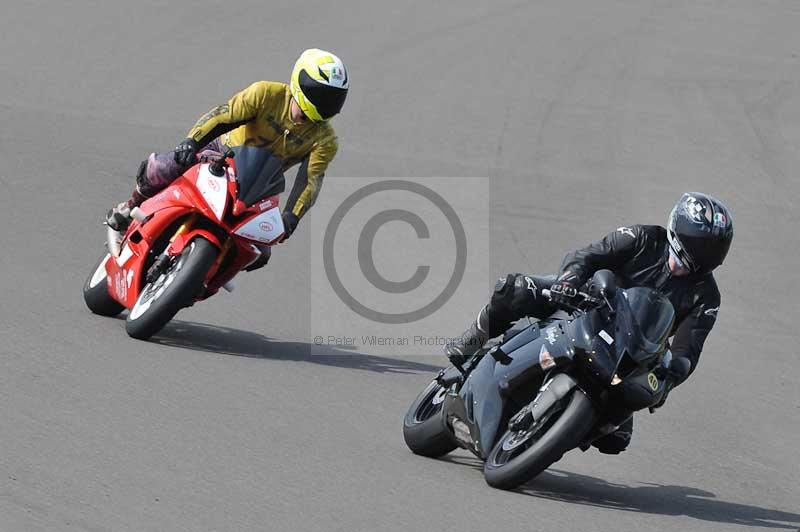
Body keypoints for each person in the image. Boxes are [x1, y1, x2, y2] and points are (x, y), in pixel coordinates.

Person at [444, 192, 734, 454]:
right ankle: (475, 338)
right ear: (680, 230)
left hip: (629, 352)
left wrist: (672, 376)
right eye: (702, 244)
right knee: (515, 289)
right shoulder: (643, 238)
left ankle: (550, 435)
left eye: (714, 249)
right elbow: (588, 256)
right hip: (585, 303)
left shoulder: (706, 296)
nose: (706, 254)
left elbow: (689, 347)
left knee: (616, 439)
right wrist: (569, 280)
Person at [106, 48, 349, 270]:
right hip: (221, 156)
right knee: (167, 166)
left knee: (260, 252)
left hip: (257, 189)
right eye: (321, 94)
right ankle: (128, 210)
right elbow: (223, 116)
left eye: (334, 98)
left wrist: (291, 217)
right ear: (301, 80)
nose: (326, 103)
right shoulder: (266, 93)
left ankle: (202, 278)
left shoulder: (326, 140)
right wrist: (192, 142)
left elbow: (309, 181)